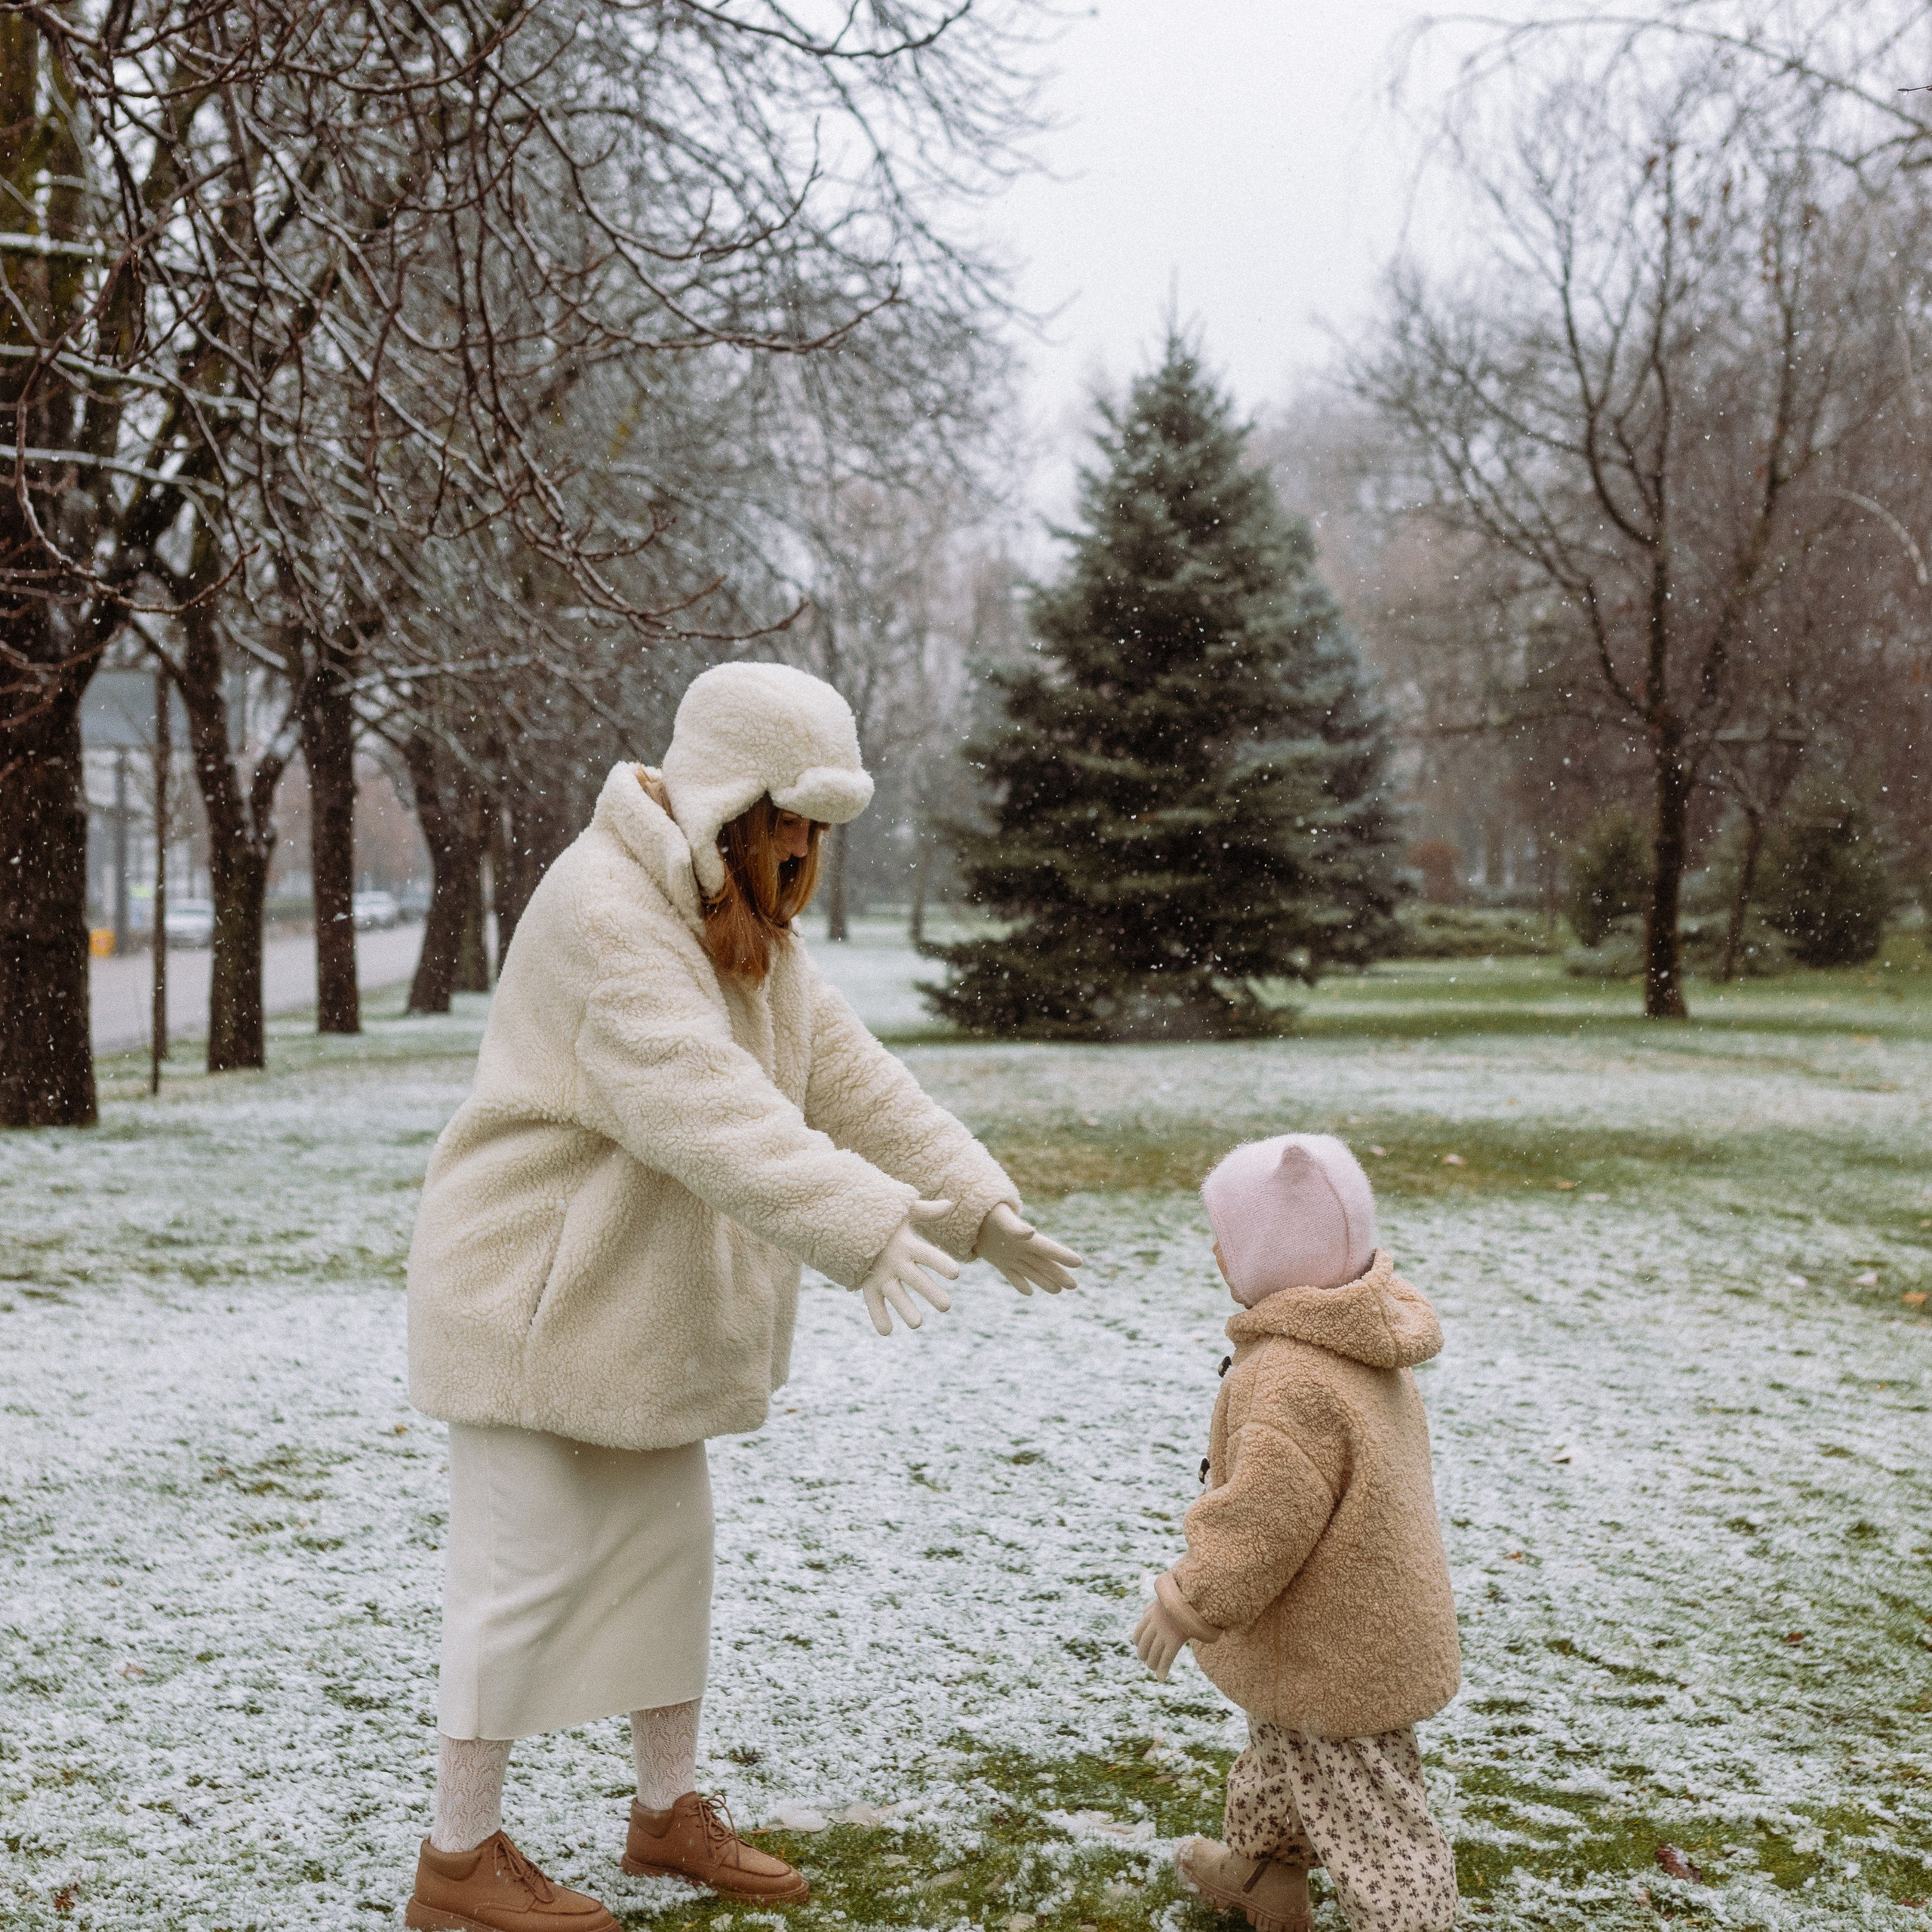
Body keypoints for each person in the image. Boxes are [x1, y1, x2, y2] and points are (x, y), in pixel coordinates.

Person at [401, 662, 1083, 1932]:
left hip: (627, 1312)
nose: (808, 851)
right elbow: (700, 1110)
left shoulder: (735, 912)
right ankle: (457, 1865)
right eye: (795, 820)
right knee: (521, 1581)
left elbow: (847, 1077)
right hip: (531, 1298)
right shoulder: (611, 908)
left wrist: (977, 1208)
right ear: (731, 798)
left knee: (667, 1561)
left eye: (822, 828)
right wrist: (866, 1227)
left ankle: (665, 1818)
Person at [1132, 1134, 1460, 1932]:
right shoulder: (1358, 1333)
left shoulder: (1293, 1377)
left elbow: (1260, 1523)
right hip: (1349, 1617)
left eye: (1228, 1237)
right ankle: (1263, 1875)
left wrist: (1187, 1600)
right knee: (1285, 1744)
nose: (1215, 1249)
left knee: (1373, 1818)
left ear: (1270, 1260)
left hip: (1340, 1646)